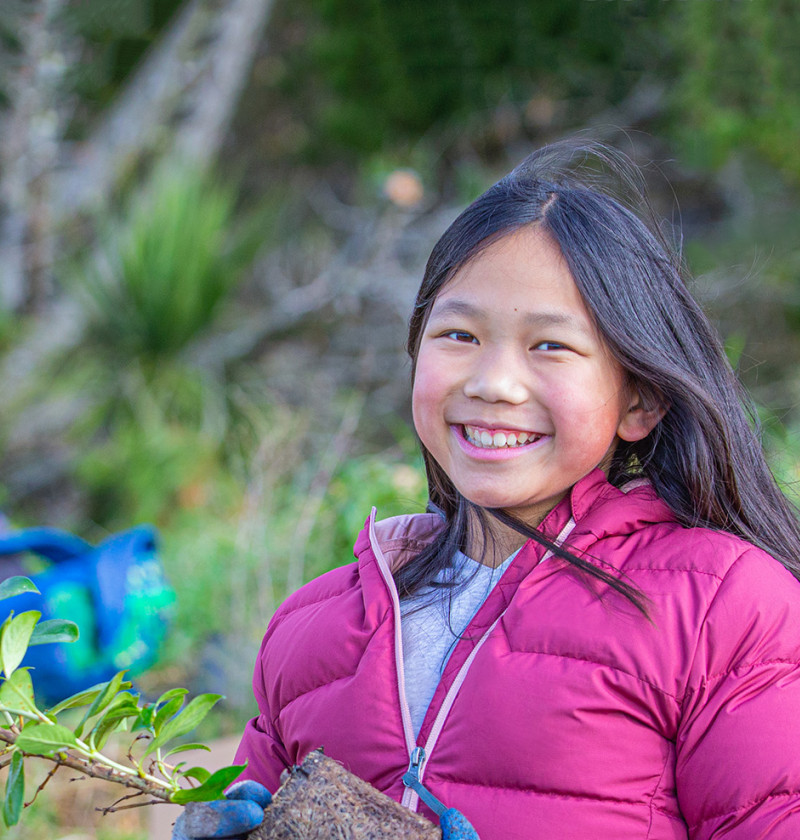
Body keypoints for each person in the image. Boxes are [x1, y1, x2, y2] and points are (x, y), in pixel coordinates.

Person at [175, 139, 800, 840]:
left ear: (639, 401)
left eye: (549, 346)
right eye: (460, 335)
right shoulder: (310, 627)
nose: (491, 382)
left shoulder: (721, 607)